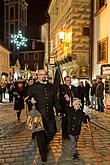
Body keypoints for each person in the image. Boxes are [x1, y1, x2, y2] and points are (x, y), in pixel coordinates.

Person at [27, 69, 61, 162]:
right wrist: (31, 101)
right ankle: (43, 153)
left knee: (53, 131)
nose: (44, 76)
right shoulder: (33, 87)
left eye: (45, 74)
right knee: (40, 135)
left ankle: (43, 145)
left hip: (49, 114)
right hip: (38, 116)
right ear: (37, 76)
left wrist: (58, 110)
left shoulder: (51, 86)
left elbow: (55, 100)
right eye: (41, 74)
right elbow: (27, 99)